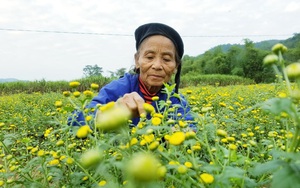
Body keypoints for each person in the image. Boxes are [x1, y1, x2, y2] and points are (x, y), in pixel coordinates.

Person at [69, 23, 194, 128]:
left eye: (166, 59)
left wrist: (184, 132)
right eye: (149, 57)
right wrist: (115, 112)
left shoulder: (175, 99)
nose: (157, 65)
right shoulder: (120, 88)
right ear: (137, 60)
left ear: (176, 66)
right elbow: (74, 121)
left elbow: (191, 126)